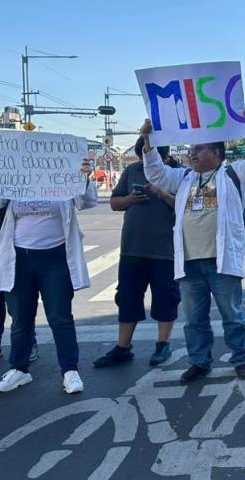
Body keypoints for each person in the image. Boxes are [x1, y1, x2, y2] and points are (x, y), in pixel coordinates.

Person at [140, 112, 245, 384]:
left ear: (216, 152)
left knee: (232, 316)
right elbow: (156, 173)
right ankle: (199, 361)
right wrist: (148, 141)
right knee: (193, 320)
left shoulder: (234, 173)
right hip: (189, 262)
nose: (192, 154)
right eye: (191, 149)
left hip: (221, 260)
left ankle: (241, 359)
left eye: (197, 149)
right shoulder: (185, 177)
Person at [0, 153, 98, 394]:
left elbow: (86, 201)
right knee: (21, 319)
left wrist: (83, 177)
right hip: (19, 259)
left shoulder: (62, 182)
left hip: (55, 259)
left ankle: (70, 370)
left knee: (60, 317)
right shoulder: (15, 183)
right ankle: (19, 369)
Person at [93, 139, 180, 369]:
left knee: (166, 297)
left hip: (166, 250)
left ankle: (163, 344)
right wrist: (131, 199)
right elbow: (114, 202)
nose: (144, 158)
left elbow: (186, 205)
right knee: (127, 298)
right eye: (142, 153)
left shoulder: (177, 174)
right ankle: (123, 347)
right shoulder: (132, 171)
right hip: (132, 247)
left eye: (148, 154)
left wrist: (161, 194)